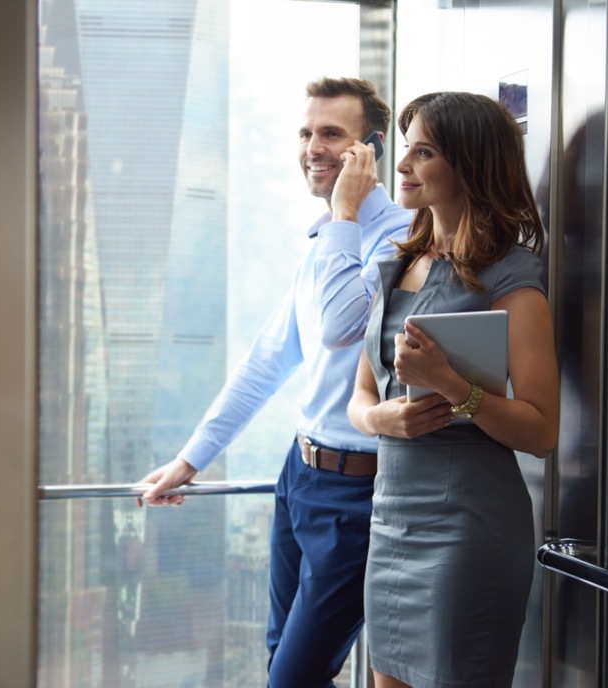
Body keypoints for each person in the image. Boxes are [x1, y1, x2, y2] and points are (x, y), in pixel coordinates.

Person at [138, 76, 412, 687]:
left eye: (332, 134)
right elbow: (268, 359)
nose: (313, 147)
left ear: (367, 151)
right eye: (306, 132)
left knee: (293, 677)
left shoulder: (398, 239)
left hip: (357, 494)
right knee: (281, 667)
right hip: (300, 476)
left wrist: (344, 212)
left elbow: (343, 327)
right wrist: (191, 459)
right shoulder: (323, 243)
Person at [347, 91, 560, 688]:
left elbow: (542, 431)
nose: (402, 166)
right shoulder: (392, 265)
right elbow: (359, 399)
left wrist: (448, 384)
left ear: (468, 163)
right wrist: (381, 421)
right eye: (406, 150)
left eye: (424, 152)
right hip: (390, 522)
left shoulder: (509, 274)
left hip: (468, 528)